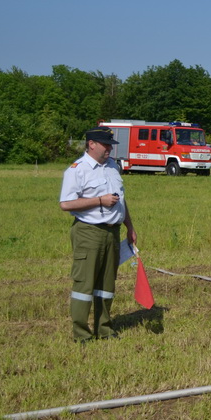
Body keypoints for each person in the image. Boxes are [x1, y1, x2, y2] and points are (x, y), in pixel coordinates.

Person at [59, 127, 137, 342]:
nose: (109, 149)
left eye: (110, 145)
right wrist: (99, 201)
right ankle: (82, 334)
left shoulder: (112, 166)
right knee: (84, 285)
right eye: (105, 144)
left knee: (107, 285)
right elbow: (66, 204)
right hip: (89, 232)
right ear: (91, 144)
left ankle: (104, 329)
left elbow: (121, 200)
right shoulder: (77, 170)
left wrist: (129, 227)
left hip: (113, 232)